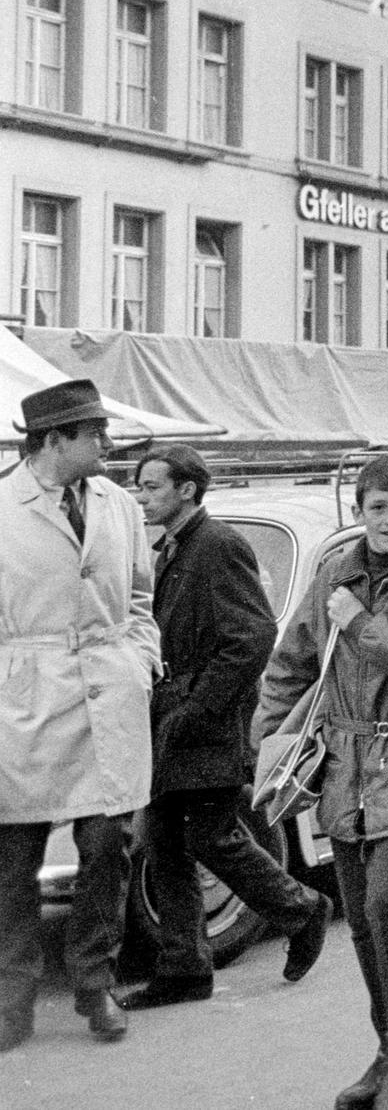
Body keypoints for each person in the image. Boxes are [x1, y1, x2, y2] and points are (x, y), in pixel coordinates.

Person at [255, 454, 388, 1110]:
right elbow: (292, 659)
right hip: (344, 761)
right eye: (378, 507)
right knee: (361, 921)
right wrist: (265, 742)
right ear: (358, 512)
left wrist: (363, 626)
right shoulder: (334, 573)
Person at [121, 443, 330, 1012]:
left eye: (152, 487)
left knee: (210, 835)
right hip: (177, 720)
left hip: (205, 724)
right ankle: (185, 969)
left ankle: (301, 910)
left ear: (187, 489)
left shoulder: (216, 546)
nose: (143, 497)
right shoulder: (177, 548)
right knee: (165, 843)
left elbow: (252, 638)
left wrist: (197, 711)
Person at [0, 380, 160, 1051]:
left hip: (109, 688)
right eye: (94, 432)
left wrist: (141, 662)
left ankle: (96, 984)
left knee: (106, 852)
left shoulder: (117, 504)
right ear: (54, 440)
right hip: (24, 698)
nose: (107, 442)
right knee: (14, 862)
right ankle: (12, 999)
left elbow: (143, 597)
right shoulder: (3, 505)